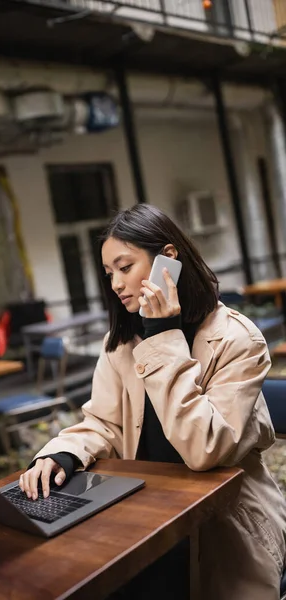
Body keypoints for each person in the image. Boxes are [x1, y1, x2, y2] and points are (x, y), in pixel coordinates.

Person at [19, 204, 286, 600]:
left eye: (125, 268)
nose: (116, 284)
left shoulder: (237, 340)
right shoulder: (124, 342)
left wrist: (163, 336)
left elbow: (205, 449)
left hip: (220, 529)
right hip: (144, 519)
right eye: (109, 273)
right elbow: (103, 423)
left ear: (168, 260)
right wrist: (62, 453)